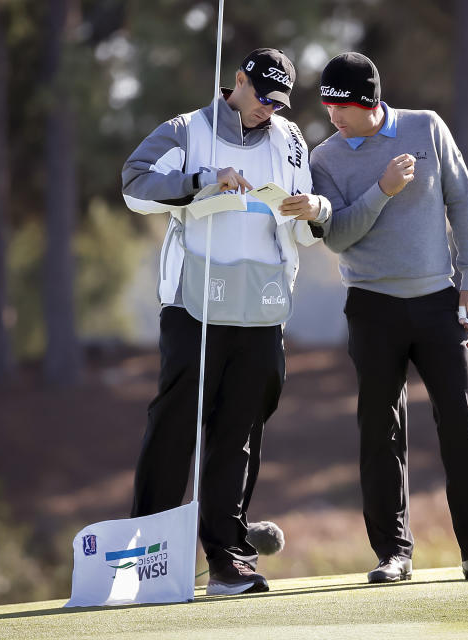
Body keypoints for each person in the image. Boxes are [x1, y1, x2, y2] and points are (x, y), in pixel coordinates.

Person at [309, 52, 468, 583]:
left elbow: (463, 203)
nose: (333, 115)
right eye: (327, 104)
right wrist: (381, 190)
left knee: (461, 419)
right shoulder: (324, 158)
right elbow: (337, 235)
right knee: (380, 431)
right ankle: (394, 554)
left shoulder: (426, 128)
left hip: (436, 302)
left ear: (368, 101)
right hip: (372, 307)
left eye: (341, 104)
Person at [121, 48, 330, 595]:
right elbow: (135, 185)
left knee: (240, 432)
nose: (269, 111)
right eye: (262, 98)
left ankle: (227, 559)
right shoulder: (186, 130)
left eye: (278, 102)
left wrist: (312, 212)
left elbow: (304, 228)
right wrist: (205, 178)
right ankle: (149, 559)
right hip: (194, 304)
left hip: (261, 307)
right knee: (175, 427)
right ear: (238, 81)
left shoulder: (289, 139)